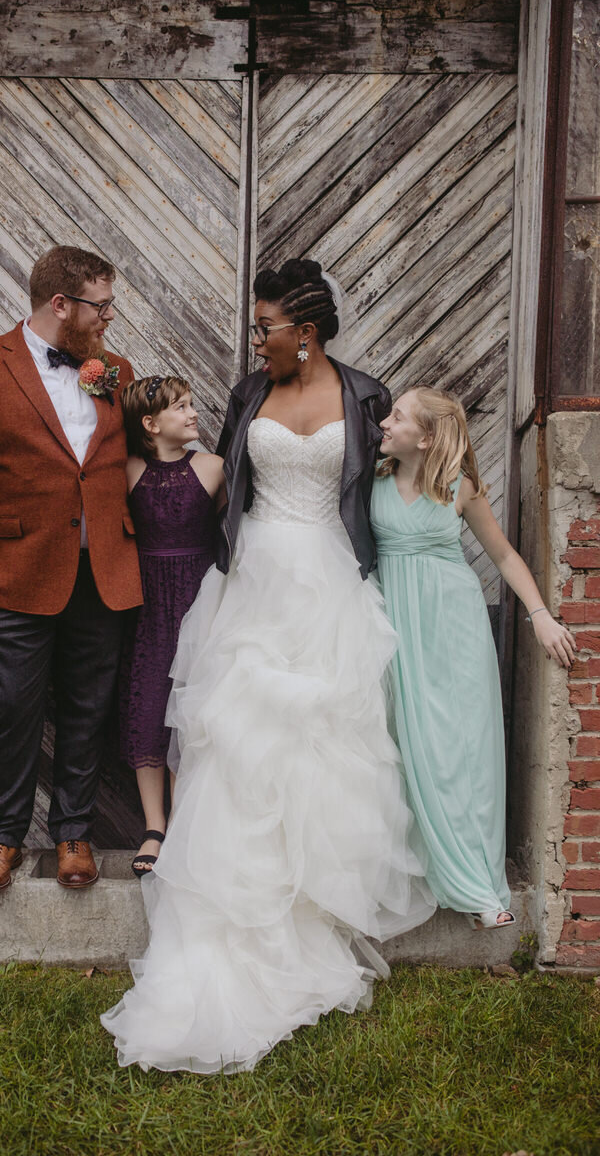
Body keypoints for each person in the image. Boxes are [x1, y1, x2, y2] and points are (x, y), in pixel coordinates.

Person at [101, 259, 435, 1074]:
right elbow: (221, 482)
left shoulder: (364, 396)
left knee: (323, 743)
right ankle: (233, 904)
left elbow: (393, 478)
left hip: (329, 581)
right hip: (251, 583)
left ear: (306, 335)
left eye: (266, 327)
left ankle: (311, 905)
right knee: (240, 743)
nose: (256, 340)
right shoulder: (253, 395)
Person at [0, 246, 142, 893]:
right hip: (17, 573)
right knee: (10, 708)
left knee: (87, 709)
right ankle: (3, 839)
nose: (110, 317)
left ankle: (74, 833)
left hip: (103, 571)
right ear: (60, 305)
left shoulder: (115, 370)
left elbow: (130, 457)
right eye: (100, 306)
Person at [372, 386, 576, 929]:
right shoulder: (369, 482)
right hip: (393, 628)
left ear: (428, 436)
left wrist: (540, 615)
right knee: (401, 747)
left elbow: (505, 555)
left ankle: (478, 885)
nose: (384, 424)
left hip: (452, 629)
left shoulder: (459, 489)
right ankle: (408, 873)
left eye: (397, 417)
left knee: (463, 750)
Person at [118, 376, 224, 877]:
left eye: (190, 404)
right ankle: (154, 827)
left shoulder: (214, 468)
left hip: (198, 601)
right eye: (180, 407)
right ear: (150, 423)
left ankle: (185, 826)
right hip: (148, 603)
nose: (192, 413)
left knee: (193, 713)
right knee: (146, 710)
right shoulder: (128, 470)